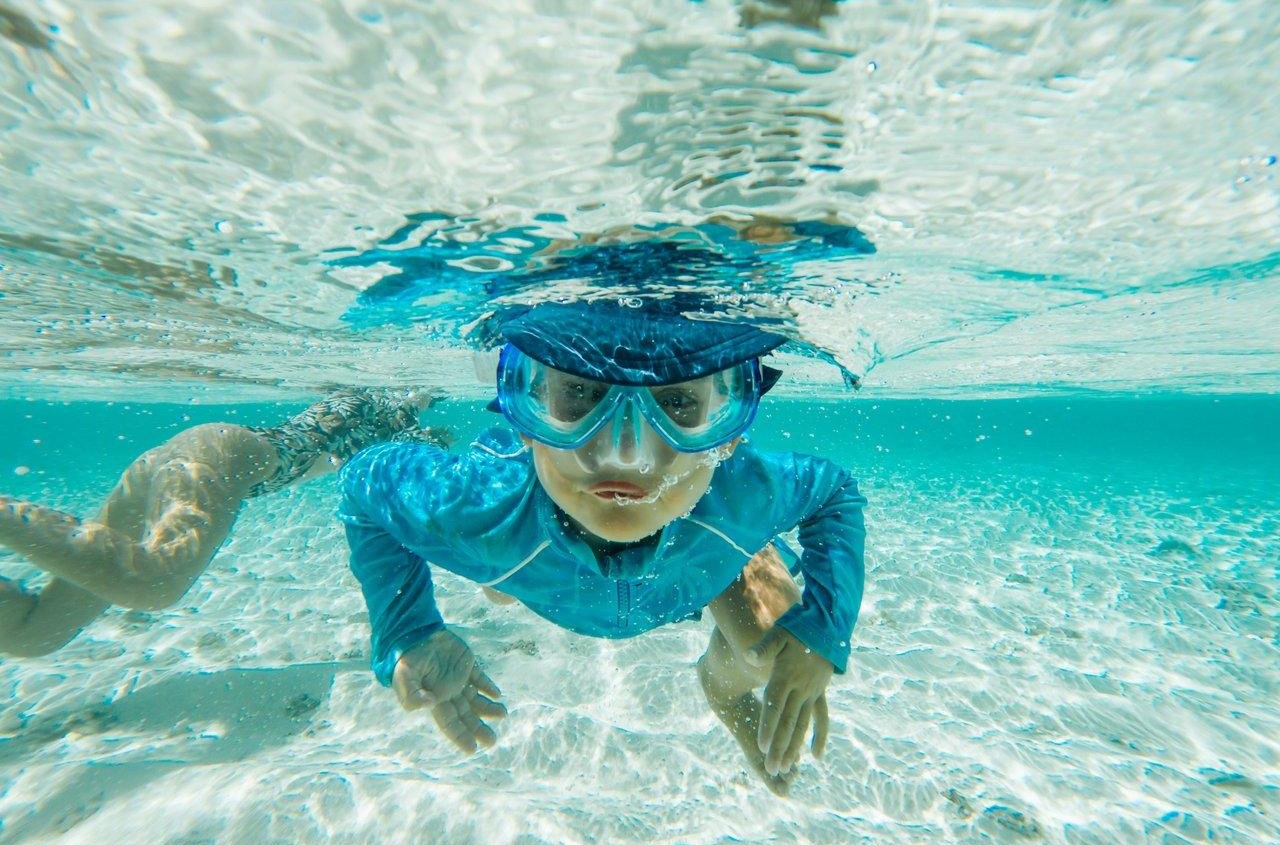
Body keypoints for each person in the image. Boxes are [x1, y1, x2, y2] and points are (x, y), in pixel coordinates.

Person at [339, 300, 867, 792]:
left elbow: (835, 494)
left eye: (679, 401)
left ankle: (723, 689)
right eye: (581, 395)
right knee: (498, 578)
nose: (625, 455)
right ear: (523, 416)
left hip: (710, 553)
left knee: (770, 643)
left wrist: (822, 627)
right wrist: (410, 628)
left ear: (727, 436)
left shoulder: (744, 494)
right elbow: (363, 484)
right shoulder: (481, 510)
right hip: (532, 545)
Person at [0, 390, 447, 657]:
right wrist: (418, 402)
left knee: (37, 634)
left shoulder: (388, 432)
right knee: (155, 582)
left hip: (177, 460)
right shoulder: (381, 415)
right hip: (215, 455)